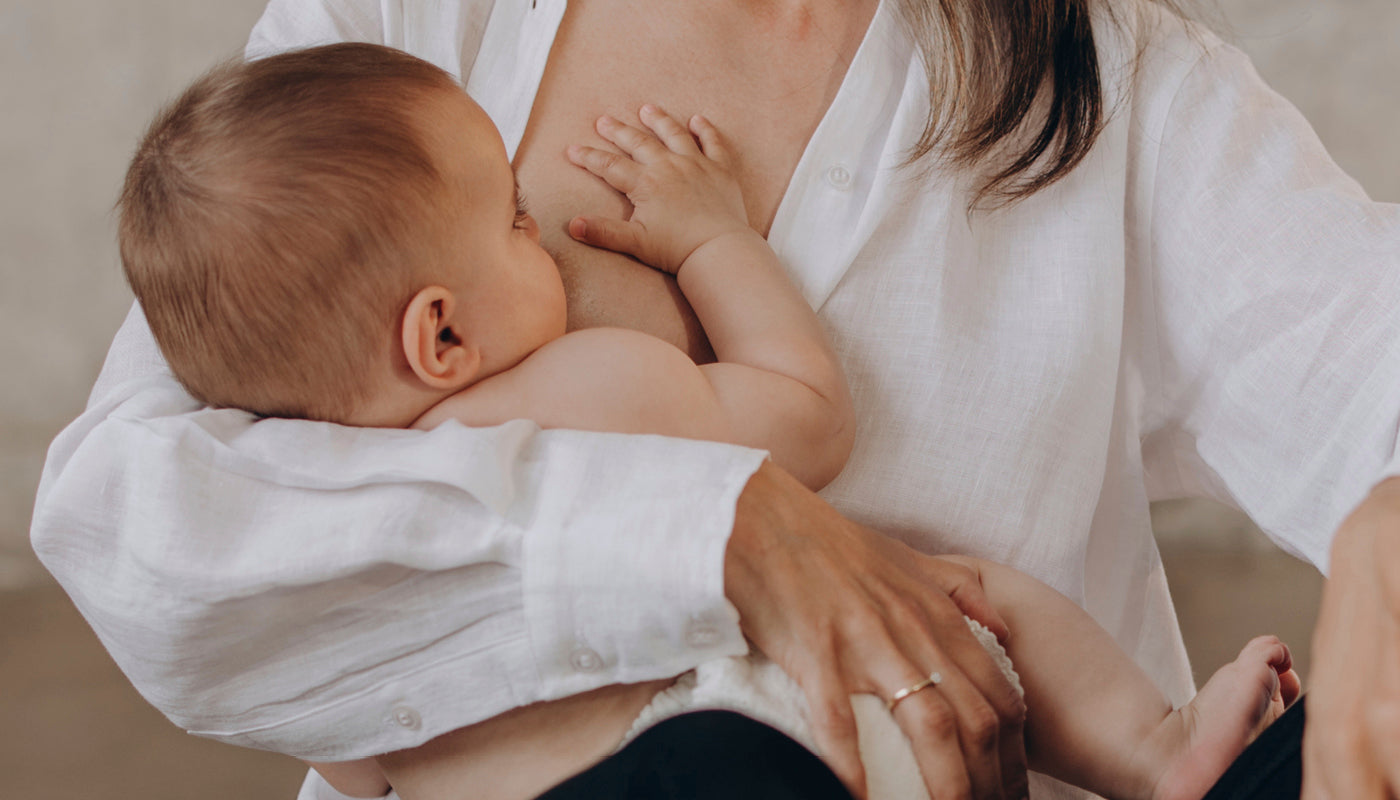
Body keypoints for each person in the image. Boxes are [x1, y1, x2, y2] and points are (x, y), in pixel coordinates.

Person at [29, 0, 1400, 798]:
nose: (530, 233)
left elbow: (1369, 353)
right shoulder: (386, 62)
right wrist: (715, 530)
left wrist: (1388, 507)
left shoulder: (1119, 91)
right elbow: (137, 526)